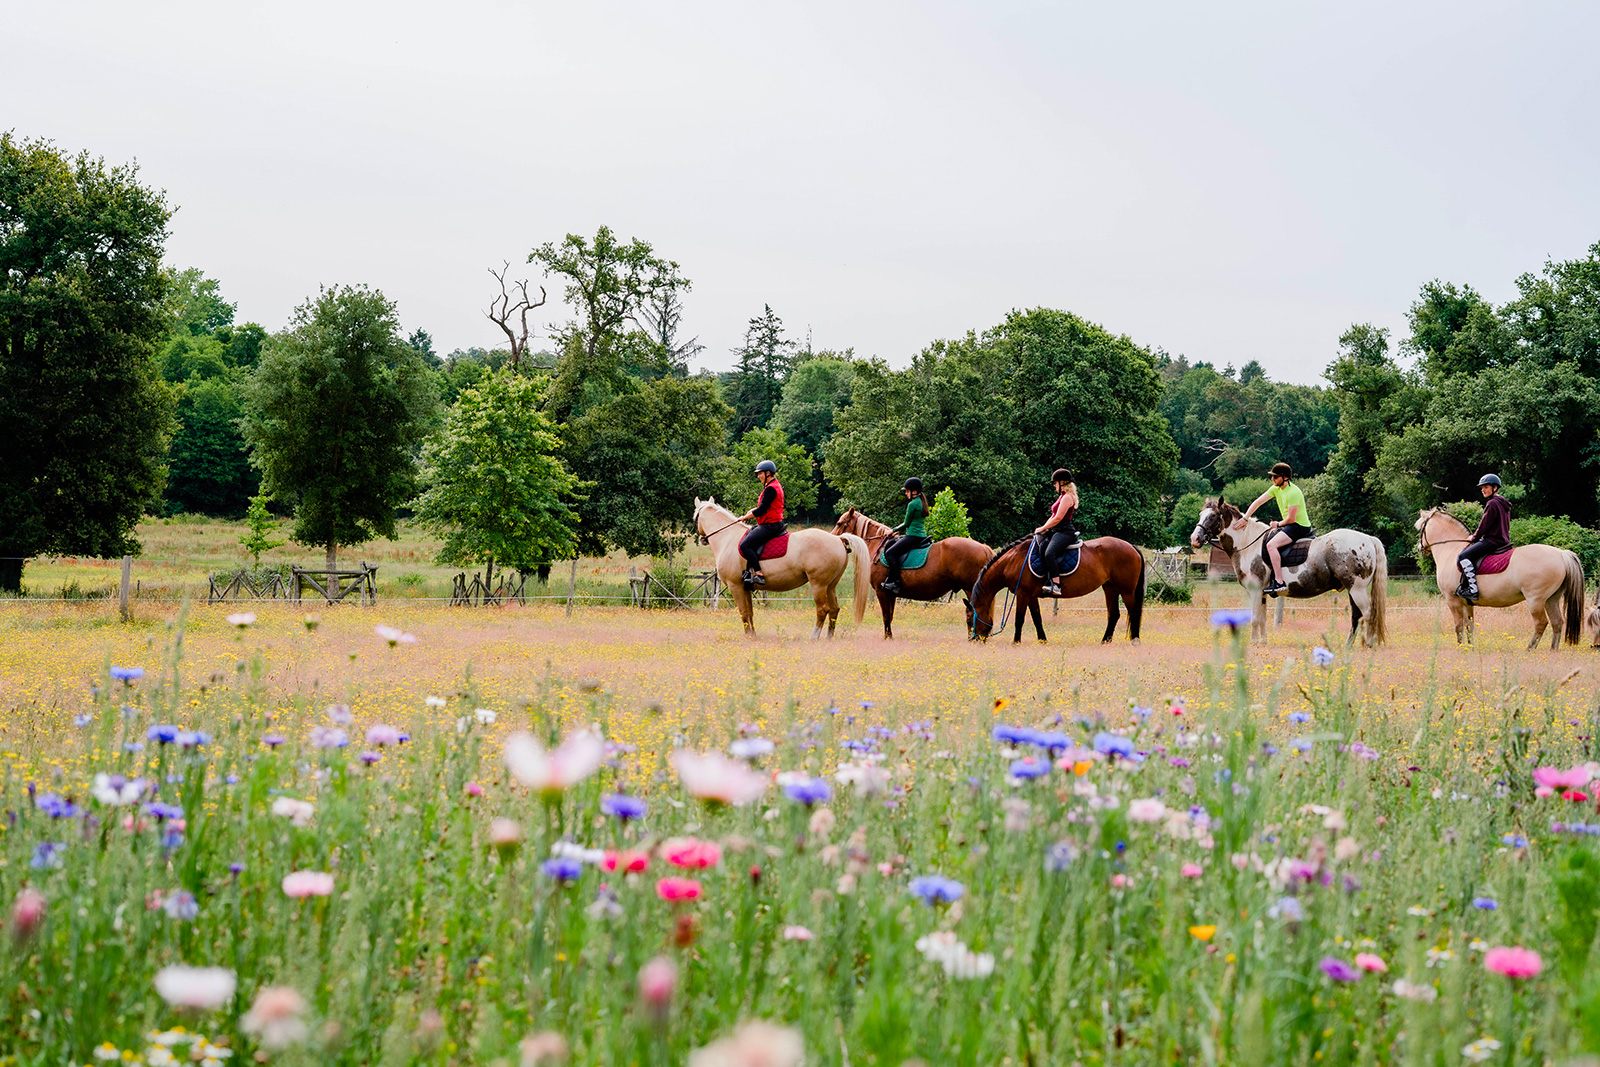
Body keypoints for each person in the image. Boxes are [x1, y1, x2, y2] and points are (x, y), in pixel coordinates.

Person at [1241, 462, 1311, 596]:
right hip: (1289, 525)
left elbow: (1291, 519)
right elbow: (1258, 502)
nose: (1272, 479)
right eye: (1272, 476)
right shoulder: (1276, 489)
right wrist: (1245, 518)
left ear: (1285, 477)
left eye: (1275, 477)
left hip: (1299, 526)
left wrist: (1277, 524)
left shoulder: (1293, 492)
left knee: (1271, 545)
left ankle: (1279, 582)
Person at [1456, 474, 1511, 602]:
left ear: (1495, 487)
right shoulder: (1503, 503)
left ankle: (1472, 589)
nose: (1483, 490)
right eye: (1482, 488)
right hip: (1503, 540)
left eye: (1486, 487)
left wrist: (1474, 538)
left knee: (1463, 556)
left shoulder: (1492, 503)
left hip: (1492, 541)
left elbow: (1484, 525)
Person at [736, 459, 786, 586]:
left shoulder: (771, 489)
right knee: (750, 534)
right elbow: (765, 506)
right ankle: (749, 571)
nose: (758, 476)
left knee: (744, 546)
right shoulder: (774, 485)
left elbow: (761, 510)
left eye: (760, 473)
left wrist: (744, 518)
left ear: (768, 473)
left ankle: (759, 573)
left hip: (770, 525)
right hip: (771, 523)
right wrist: (751, 511)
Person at [880, 478, 932, 595]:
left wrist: (892, 530)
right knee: (892, 545)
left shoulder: (912, 504)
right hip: (917, 535)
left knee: (890, 553)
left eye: (907, 491)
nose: (905, 493)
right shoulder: (920, 501)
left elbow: (906, 523)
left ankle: (896, 583)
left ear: (914, 491)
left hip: (913, 535)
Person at [1033, 468, 1080, 595]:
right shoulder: (1062, 496)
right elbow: (1053, 515)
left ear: (1063, 483)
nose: (1054, 485)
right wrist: (1043, 527)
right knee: (1042, 547)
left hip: (1065, 531)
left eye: (1055, 483)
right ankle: (1047, 581)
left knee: (1050, 553)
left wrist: (1043, 528)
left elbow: (1059, 518)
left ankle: (1057, 585)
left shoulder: (1067, 498)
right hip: (1056, 530)